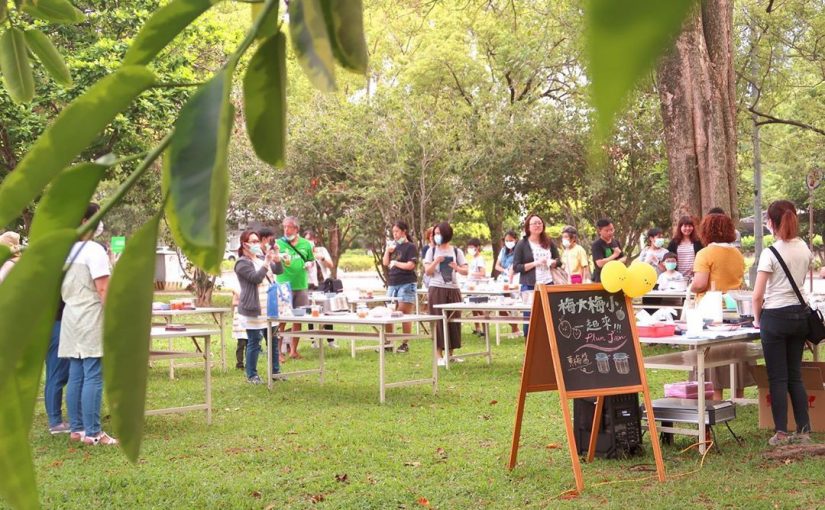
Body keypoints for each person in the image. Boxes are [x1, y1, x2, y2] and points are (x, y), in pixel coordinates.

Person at [752, 200, 813, 446]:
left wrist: (757, 319)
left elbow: (758, 295)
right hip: (799, 318)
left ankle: (781, 432)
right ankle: (804, 430)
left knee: (777, 378)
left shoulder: (771, 252)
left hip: (775, 318)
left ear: (771, 222)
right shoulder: (804, 248)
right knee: (795, 375)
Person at [59, 204, 116, 445]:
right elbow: (103, 288)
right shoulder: (93, 250)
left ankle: (77, 429)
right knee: (93, 374)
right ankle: (93, 433)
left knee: (76, 374)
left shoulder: (65, 250)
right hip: (91, 315)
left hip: (70, 316)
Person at [691, 213, 749, 400]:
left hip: (710, 309)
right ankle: (738, 395)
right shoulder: (737, 254)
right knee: (735, 353)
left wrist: (690, 286)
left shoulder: (705, 253)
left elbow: (700, 283)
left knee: (712, 357)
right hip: (733, 306)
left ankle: (716, 397)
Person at [234, 230, 283, 384]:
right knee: (255, 342)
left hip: (270, 307)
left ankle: (275, 372)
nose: (257, 244)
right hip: (253, 309)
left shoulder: (261, 257)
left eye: (257, 241)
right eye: (253, 241)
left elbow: (279, 270)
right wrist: (267, 262)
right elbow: (256, 278)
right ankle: (252, 375)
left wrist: (277, 257)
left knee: (273, 341)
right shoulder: (242, 263)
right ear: (244, 244)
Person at [423, 222, 468, 366]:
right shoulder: (431, 251)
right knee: (437, 321)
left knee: (453, 320)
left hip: (453, 288)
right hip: (437, 288)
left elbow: (466, 271)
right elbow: (427, 271)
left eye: (438, 233)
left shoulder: (456, 251)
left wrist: (456, 267)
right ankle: (438, 355)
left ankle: (450, 354)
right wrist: (436, 261)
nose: (435, 236)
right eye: (434, 233)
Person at [512, 214, 560, 335]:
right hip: (529, 285)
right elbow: (516, 267)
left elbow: (559, 260)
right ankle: (528, 348)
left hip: (548, 282)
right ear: (528, 227)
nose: (538, 225)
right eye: (534, 223)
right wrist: (535, 263)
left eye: (540, 223)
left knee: (550, 316)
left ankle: (548, 347)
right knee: (530, 318)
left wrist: (553, 262)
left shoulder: (548, 242)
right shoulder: (522, 244)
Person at [276, 216, 315, 359]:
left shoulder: (306, 244)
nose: (286, 230)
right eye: (284, 227)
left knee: (298, 318)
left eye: (289, 227)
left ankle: (293, 350)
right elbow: (271, 258)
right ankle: (278, 352)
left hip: (301, 285)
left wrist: (309, 264)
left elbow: (311, 260)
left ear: (296, 229)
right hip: (283, 286)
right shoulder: (278, 243)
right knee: (281, 319)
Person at [383, 221, 418, 353]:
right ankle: (388, 342)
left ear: (404, 231)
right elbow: (386, 263)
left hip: (406, 282)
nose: (395, 234)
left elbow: (410, 265)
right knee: (388, 313)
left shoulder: (410, 247)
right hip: (393, 282)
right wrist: (387, 251)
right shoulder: (393, 246)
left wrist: (396, 263)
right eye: (393, 232)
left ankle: (405, 343)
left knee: (403, 314)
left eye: (397, 231)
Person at [304, 230, 337, 348]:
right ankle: (313, 340)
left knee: (326, 311)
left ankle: (330, 340)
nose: (309, 243)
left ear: (315, 240)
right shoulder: (303, 252)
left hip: (323, 283)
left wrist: (322, 258)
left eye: (311, 240)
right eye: (306, 240)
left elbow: (331, 265)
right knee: (312, 311)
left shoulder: (322, 250)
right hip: (309, 284)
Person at [494, 230, 520, 335]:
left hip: (515, 279)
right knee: (500, 305)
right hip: (504, 279)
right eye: (506, 240)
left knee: (513, 303)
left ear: (515, 240)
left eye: (511, 240)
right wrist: (504, 270)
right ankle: (514, 325)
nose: (509, 242)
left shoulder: (519, 251)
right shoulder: (503, 250)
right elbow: (497, 265)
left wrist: (512, 271)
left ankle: (515, 328)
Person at [591, 219, 625, 283]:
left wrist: (616, 262)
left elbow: (623, 258)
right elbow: (600, 263)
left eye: (612, 229)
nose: (610, 232)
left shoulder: (616, 242)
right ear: (599, 231)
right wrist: (614, 255)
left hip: (617, 278)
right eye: (606, 230)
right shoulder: (596, 245)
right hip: (602, 280)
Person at [466, 238, 487, 337]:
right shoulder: (473, 259)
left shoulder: (480, 259)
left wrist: (471, 273)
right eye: (469, 247)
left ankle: (485, 328)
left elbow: (483, 273)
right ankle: (477, 327)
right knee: (473, 307)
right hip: (471, 286)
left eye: (472, 247)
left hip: (478, 286)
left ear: (477, 247)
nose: (470, 249)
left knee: (478, 308)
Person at [231, 287, 247, 370]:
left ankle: (249, 364)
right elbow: (234, 302)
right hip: (240, 321)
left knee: (249, 344)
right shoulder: (238, 287)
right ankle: (239, 364)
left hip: (249, 319)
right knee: (241, 344)